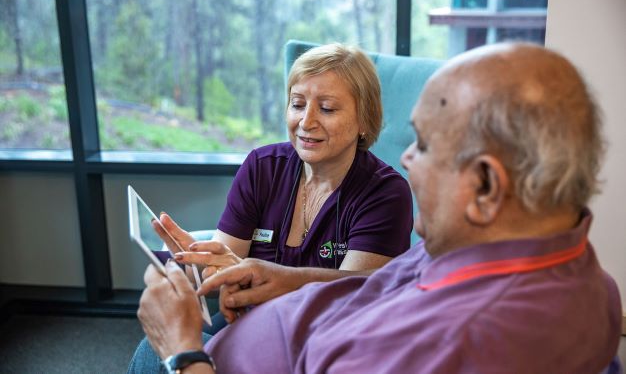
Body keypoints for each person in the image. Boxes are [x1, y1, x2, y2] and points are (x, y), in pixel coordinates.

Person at [131, 43, 622, 373]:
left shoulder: (446, 341)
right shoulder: (563, 270)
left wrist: (182, 354)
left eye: (424, 146)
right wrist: (282, 277)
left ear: (487, 185)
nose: (406, 158)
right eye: (297, 103)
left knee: (147, 358)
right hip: (269, 328)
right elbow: (374, 285)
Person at [148, 43, 413, 331]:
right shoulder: (262, 168)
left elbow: (352, 300)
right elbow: (224, 267)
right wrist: (192, 262)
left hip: (327, 338)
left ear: (364, 119)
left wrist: (257, 276)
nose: (306, 122)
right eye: (297, 104)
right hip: (247, 320)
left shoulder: (385, 193)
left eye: (326, 108)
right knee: (158, 349)